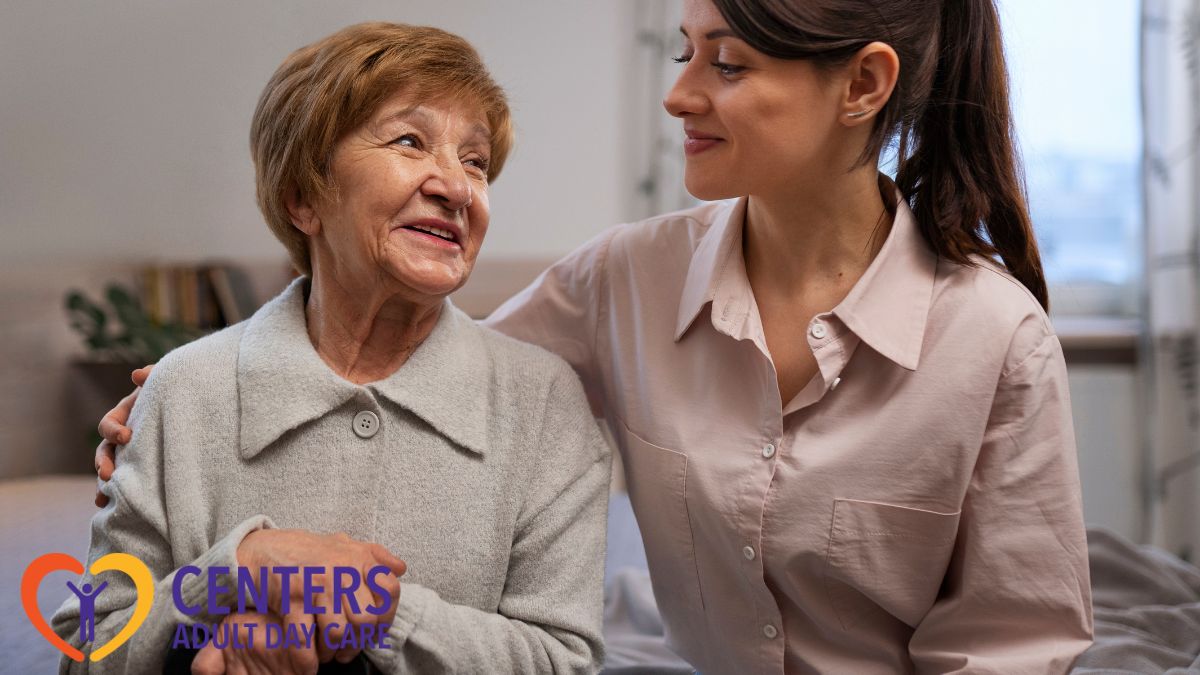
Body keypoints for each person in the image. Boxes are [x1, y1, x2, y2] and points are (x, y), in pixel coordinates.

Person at [96, 0, 1094, 672]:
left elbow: (1011, 644)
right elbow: (425, 370)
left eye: (728, 63)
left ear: (862, 87)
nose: (679, 94)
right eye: (683, 53)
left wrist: (366, 608)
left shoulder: (997, 339)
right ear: (303, 193)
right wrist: (179, 410)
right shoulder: (621, 278)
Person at [57, 21, 611, 675]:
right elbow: (86, 643)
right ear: (302, 199)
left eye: (476, 161)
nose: (459, 188)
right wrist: (235, 572)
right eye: (410, 140)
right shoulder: (182, 390)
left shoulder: (543, 401)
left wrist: (374, 606)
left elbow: (565, 661)